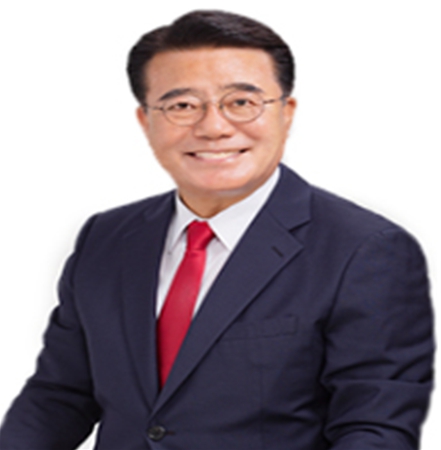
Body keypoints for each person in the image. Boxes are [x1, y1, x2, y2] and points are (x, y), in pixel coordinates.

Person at [0, 10, 434, 450]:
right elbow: (59, 397)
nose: (213, 127)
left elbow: (374, 428)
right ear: (146, 121)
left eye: (241, 102)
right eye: (182, 106)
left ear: (286, 113)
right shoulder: (107, 238)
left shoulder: (365, 250)